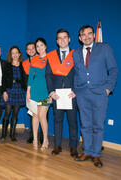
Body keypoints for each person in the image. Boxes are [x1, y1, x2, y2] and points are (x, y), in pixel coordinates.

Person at [73, 25, 118, 168]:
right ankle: (87, 151)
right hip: (82, 94)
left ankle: (96, 155)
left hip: (100, 94)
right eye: (83, 35)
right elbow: (76, 73)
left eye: (89, 34)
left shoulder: (104, 48)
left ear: (93, 35)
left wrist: (108, 89)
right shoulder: (76, 53)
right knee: (85, 125)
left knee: (98, 126)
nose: (86, 36)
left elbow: (113, 69)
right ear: (80, 38)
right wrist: (76, 89)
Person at [46, 29, 78, 157]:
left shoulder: (76, 54)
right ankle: (57, 146)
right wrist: (51, 92)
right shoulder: (52, 56)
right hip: (57, 95)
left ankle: (73, 147)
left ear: (69, 39)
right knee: (57, 121)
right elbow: (48, 75)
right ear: (57, 41)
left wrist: (76, 90)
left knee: (73, 122)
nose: (62, 40)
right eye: (60, 38)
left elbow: (80, 74)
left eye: (65, 37)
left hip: (71, 94)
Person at [26, 38, 50, 150]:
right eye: (37, 46)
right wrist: (28, 91)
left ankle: (45, 139)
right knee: (35, 115)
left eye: (41, 45)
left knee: (42, 116)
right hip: (34, 90)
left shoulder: (50, 59)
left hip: (46, 91)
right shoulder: (34, 60)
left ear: (45, 46)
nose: (39, 48)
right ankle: (35, 139)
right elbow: (31, 77)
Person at [0, 46, 27, 142]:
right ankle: (3, 134)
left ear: (19, 54)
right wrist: (4, 92)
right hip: (9, 90)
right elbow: (3, 80)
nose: (15, 55)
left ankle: (12, 134)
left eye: (16, 53)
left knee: (15, 114)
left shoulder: (23, 65)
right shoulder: (7, 66)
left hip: (19, 91)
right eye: (13, 53)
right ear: (10, 55)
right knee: (7, 113)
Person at [22, 42, 43, 144]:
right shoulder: (25, 64)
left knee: (43, 115)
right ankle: (32, 136)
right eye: (28, 49)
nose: (31, 51)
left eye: (33, 48)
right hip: (31, 93)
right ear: (26, 51)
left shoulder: (42, 60)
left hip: (42, 91)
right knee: (32, 114)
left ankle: (42, 137)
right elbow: (24, 79)